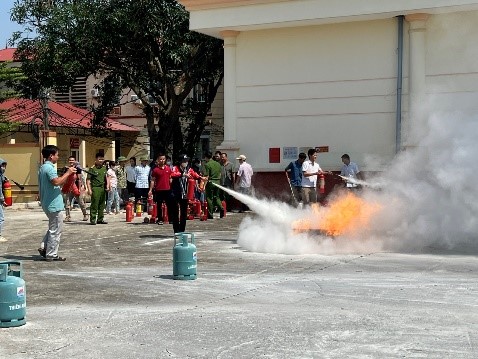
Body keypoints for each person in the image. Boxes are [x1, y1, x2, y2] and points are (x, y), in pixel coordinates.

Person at [37, 145, 76, 261]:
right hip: (53, 203)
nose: (58, 157)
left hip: (47, 202)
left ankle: (44, 247)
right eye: (57, 155)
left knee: (53, 227)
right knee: (56, 230)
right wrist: (68, 173)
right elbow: (56, 182)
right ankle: (51, 254)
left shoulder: (43, 167)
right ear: (51, 155)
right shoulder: (49, 168)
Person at [170, 154, 204, 234]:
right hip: (176, 193)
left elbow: (194, 174)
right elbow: (172, 174)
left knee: (184, 212)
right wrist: (182, 175)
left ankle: (182, 230)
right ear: (180, 161)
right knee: (175, 212)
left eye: (187, 161)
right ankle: (176, 230)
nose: (186, 162)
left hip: (185, 194)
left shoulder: (189, 169)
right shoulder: (176, 168)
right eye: (184, 161)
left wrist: (200, 178)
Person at [148, 153, 173, 225]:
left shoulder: (168, 168)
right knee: (159, 205)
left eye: (163, 159)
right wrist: (150, 190)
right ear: (158, 160)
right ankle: (160, 219)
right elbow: (152, 180)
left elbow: (171, 178)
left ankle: (171, 219)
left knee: (169, 205)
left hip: (168, 189)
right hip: (159, 190)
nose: (162, 160)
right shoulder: (155, 170)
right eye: (161, 159)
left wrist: (171, 183)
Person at [62, 155, 89, 222]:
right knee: (67, 203)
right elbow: (64, 178)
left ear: (75, 161)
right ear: (68, 161)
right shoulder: (66, 169)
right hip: (68, 188)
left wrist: (80, 188)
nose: (71, 161)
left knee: (81, 202)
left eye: (72, 160)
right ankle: (68, 217)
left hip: (76, 187)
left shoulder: (78, 169)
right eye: (70, 160)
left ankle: (85, 214)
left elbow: (79, 179)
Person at [86, 153, 109, 225]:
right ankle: (93, 220)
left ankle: (100, 219)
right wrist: (89, 189)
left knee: (102, 204)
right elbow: (88, 180)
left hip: (103, 188)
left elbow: (106, 177)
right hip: (95, 188)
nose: (101, 160)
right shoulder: (92, 169)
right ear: (96, 159)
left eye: (102, 159)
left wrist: (108, 186)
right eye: (99, 159)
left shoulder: (104, 168)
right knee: (94, 204)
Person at [202, 151, 224, 219]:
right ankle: (221, 208)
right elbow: (220, 174)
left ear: (206, 157)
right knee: (217, 197)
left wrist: (204, 186)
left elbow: (206, 176)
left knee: (209, 198)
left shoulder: (207, 165)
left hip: (211, 182)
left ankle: (210, 214)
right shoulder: (218, 164)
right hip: (217, 182)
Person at [0, 159, 8, 242]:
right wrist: (2, 200)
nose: (3, 168)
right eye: (2, 166)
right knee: (1, 218)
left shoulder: (1, 175)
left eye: (4, 166)